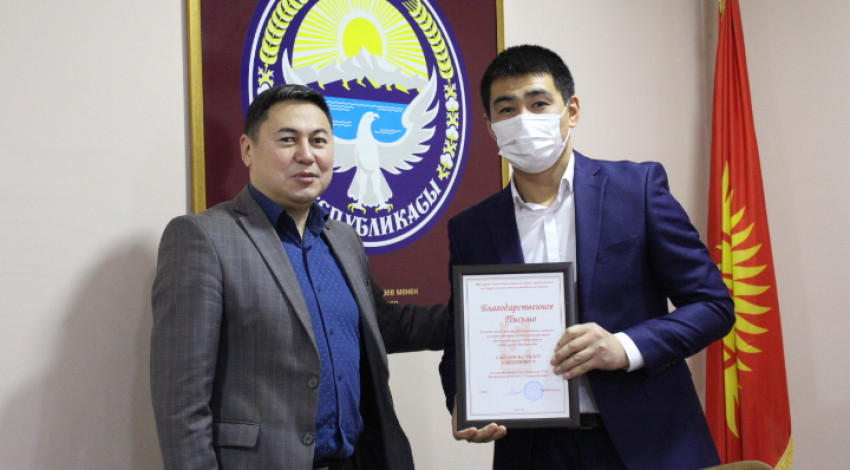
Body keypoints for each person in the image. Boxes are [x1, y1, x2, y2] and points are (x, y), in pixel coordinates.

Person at [438, 45, 735, 470]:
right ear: (490, 127)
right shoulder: (472, 228)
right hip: (534, 451)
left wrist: (625, 346)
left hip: (649, 443)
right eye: (506, 109)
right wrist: (463, 401)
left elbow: (713, 305)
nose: (523, 119)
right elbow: (460, 341)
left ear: (571, 110)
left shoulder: (637, 189)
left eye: (539, 103)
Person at [150, 84, 448, 470]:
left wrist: (480, 313)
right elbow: (181, 403)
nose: (306, 155)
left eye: (319, 140)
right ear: (248, 149)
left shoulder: (343, 239)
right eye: (288, 139)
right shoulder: (203, 238)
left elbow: (386, 326)